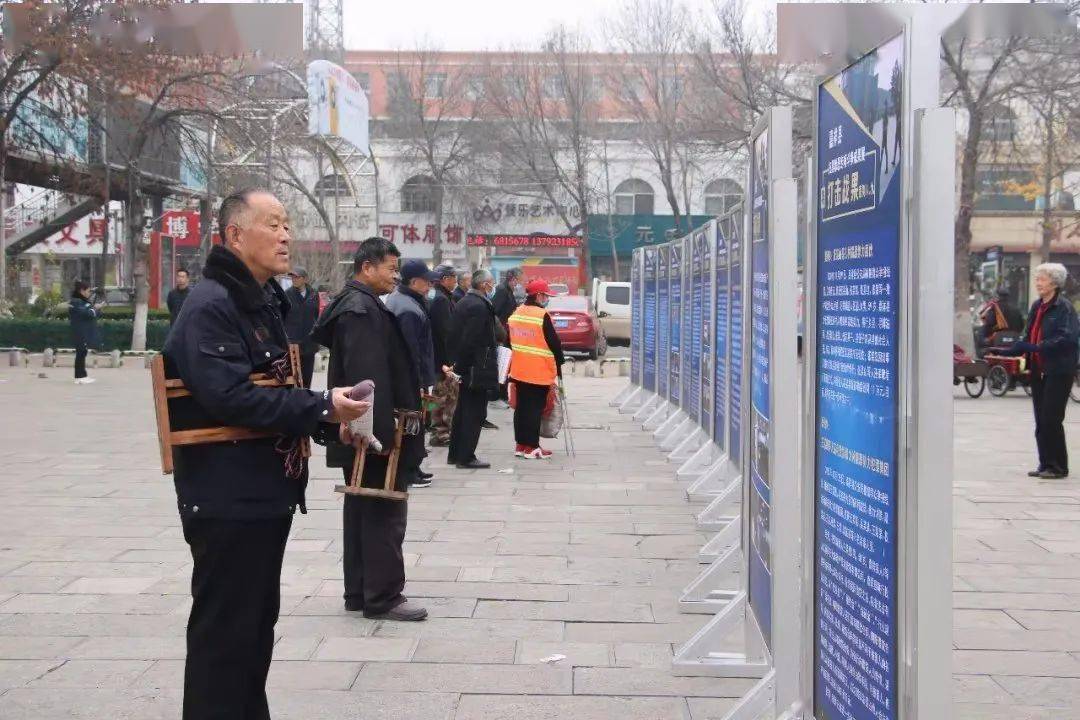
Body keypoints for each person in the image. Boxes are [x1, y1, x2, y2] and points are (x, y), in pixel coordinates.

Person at [163, 188, 369, 720]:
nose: (285, 236)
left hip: (261, 492)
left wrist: (328, 421)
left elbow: (277, 389)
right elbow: (228, 396)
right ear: (235, 235)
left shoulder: (260, 299)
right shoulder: (210, 305)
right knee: (226, 634)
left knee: (253, 630)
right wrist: (321, 406)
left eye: (287, 225)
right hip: (227, 495)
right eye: (272, 224)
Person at [312, 237, 429, 622]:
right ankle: (382, 595)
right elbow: (367, 380)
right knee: (382, 508)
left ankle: (361, 591)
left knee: (364, 507)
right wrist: (375, 435)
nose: (396, 275)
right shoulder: (360, 309)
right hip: (373, 433)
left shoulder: (361, 305)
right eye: (390, 268)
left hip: (365, 431)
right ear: (367, 268)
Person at [998, 263, 1079, 479]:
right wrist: (1012, 349)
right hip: (1038, 369)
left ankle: (1058, 466)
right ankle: (1045, 464)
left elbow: (1068, 339)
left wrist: (1038, 347)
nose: (1038, 283)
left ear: (1054, 282)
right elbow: (1028, 333)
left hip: (1058, 370)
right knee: (1041, 420)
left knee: (1052, 418)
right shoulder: (1037, 306)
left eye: (1041, 279)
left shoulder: (1064, 308)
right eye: (1037, 279)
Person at [384, 259, 440, 489]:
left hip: (412, 376)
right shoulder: (406, 308)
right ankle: (407, 471)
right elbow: (410, 351)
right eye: (427, 281)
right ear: (414, 281)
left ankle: (413, 466)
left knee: (415, 422)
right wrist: (418, 380)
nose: (429, 286)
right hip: (408, 378)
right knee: (410, 423)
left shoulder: (409, 301)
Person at [447, 269, 499, 469]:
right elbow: (471, 339)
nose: (492, 286)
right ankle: (466, 456)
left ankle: (455, 453)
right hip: (476, 368)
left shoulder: (465, 302)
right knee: (474, 413)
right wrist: (463, 365)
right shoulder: (479, 306)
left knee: (462, 411)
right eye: (491, 282)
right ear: (484, 285)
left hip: (467, 366)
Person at [508, 279, 565, 459]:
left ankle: (521, 445)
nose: (546, 299)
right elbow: (554, 342)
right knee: (534, 410)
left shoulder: (516, 313)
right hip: (538, 371)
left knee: (522, 408)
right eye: (546, 295)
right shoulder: (541, 315)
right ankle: (532, 447)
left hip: (518, 370)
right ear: (539, 295)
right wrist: (560, 360)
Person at [429, 264, 459, 447]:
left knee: (439, 397)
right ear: (444, 279)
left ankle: (440, 430)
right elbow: (444, 333)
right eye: (453, 277)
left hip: (440, 359)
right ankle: (440, 432)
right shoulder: (440, 299)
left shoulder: (443, 296)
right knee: (442, 398)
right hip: (443, 361)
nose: (455, 281)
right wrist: (448, 362)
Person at [283, 266, 321, 389]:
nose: (294, 279)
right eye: (292, 277)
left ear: (304, 279)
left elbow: (316, 315)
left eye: (297, 277)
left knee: (307, 376)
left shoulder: (314, 294)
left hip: (309, 341)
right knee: (293, 376)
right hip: (293, 343)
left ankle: (306, 399)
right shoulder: (286, 295)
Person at [490, 268, 523, 407]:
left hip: (508, 332)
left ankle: (503, 395)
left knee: (507, 365)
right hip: (501, 333)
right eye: (517, 280)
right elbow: (494, 313)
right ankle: (495, 397)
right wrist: (499, 333)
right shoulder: (502, 291)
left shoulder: (509, 291)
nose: (518, 284)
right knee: (502, 365)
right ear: (511, 278)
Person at [68, 280, 101, 385]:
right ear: (81, 290)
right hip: (79, 330)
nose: (89, 293)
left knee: (83, 352)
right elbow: (87, 313)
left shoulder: (81, 301)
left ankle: (83, 375)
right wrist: (95, 309)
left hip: (83, 330)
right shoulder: (76, 301)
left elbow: (90, 312)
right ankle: (78, 377)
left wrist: (95, 309)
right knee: (81, 352)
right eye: (87, 291)